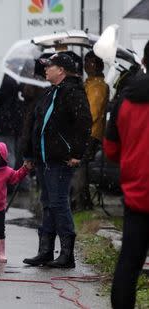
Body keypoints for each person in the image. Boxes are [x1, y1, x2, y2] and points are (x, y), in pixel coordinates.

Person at [21, 52, 92, 268]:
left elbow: (84, 123)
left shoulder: (73, 92)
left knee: (59, 203)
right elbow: (36, 125)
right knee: (48, 203)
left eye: (49, 66)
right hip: (44, 159)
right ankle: (46, 252)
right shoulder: (51, 91)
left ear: (61, 70)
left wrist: (77, 153)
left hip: (60, 160)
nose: (45, 69)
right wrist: (30, 154)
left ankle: (67, 255)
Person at [105, 40, 149, 309]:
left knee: (129, 265)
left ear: (143, 61)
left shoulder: (125, 99)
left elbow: (111, 149)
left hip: (137, 197)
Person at [71, 51, 109, 210]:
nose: (87, 65)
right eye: (86, 61)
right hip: (86, 131)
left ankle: (79, 201)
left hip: (89, 132)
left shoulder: (98, 86)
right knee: (81, 165)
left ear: (99, 64)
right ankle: (83, 201)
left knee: (79, 164)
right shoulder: (88, 83)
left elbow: (92, 113)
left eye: (91, 62)